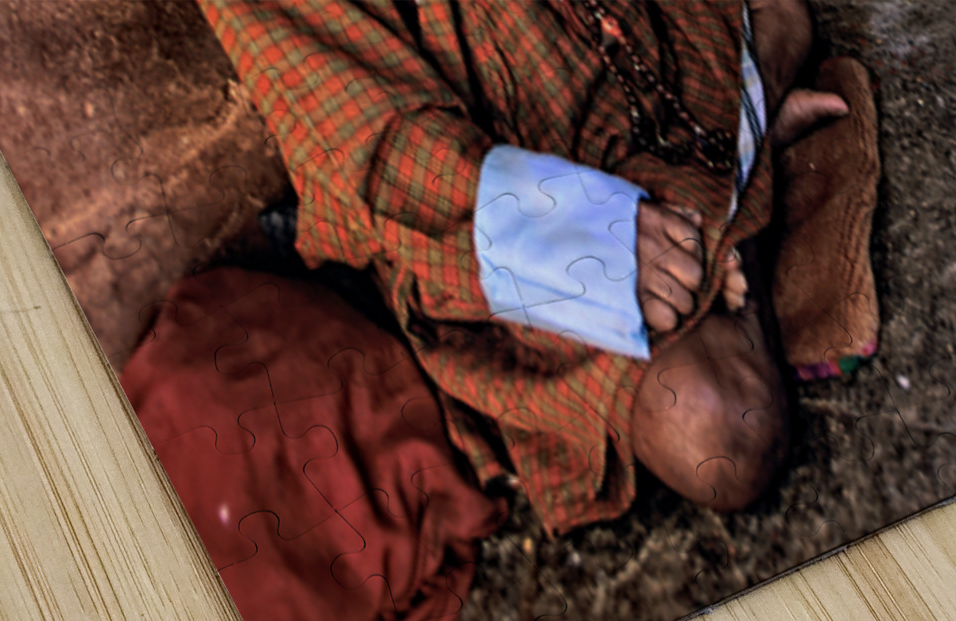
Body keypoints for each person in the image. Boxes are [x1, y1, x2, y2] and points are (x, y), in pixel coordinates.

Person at [195, 0, 875, 537]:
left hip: (657, 59)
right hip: (504, 205)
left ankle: (733, 172)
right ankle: (738, 187)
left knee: (778, 20)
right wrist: (591, 234)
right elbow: (374, 151)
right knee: (718, 432)